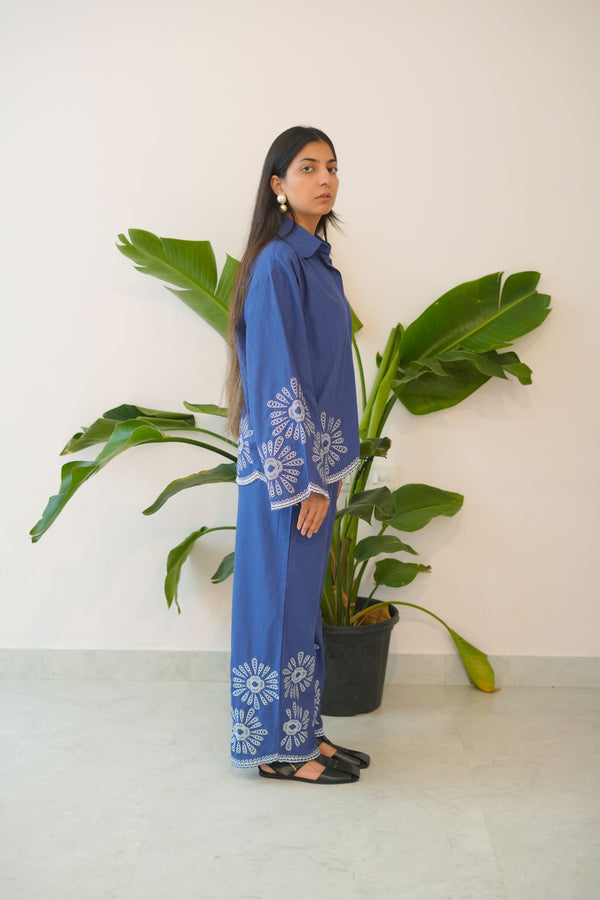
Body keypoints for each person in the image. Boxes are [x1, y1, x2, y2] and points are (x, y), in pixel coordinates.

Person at [225, 126, 370, 784]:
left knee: (298, 602)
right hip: (289, 477)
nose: (325, 178)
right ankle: (280, 754)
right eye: (308, 167)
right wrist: (307, 480)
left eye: (332, 167)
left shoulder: (314, 258)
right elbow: (277, 375)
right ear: (278, 185)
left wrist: (326, 473)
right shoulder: (280, 263)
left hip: (314, 470)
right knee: (278, 601)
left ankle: (304, 732)